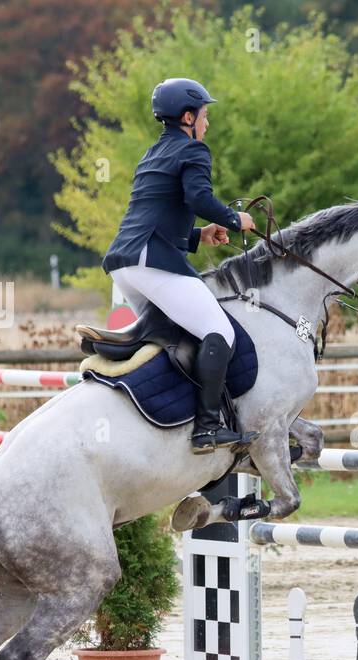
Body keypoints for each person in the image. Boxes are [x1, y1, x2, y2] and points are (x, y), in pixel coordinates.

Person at [100, 77, 257, 452]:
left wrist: (198, 236)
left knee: (181, 338)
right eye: (204, 115)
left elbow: (155, 212)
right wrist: (236, 220)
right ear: (188, 117)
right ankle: (206, 429)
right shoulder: (194, 151)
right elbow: (199, 197)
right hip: (151, 265)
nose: (207, 123)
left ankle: (166, 422)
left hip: (126, 265)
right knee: (221, 332)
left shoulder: (153, 153)